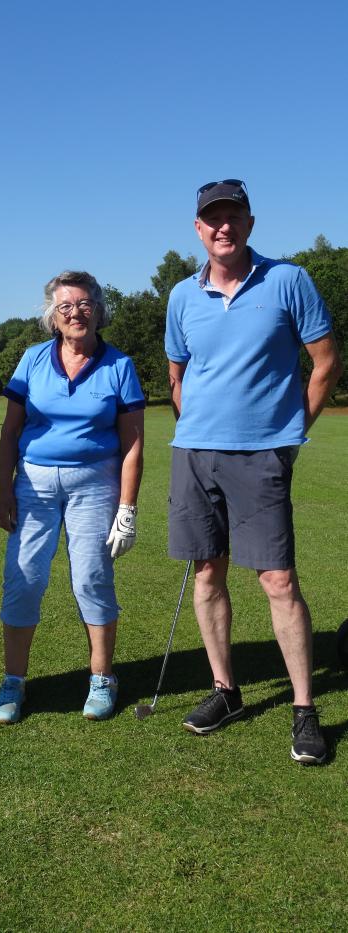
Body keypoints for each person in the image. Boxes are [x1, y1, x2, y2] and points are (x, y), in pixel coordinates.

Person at [165, 179, 343, 764]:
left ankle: (304, 708)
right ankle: (226, 690)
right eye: (212, 218)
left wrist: (291, 434)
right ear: (198, 229)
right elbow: (176, 374)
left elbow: (325, 362)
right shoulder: (181, 295)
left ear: (249, 223)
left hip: (262, 454)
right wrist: (196, 428)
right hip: (195, 454)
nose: (223, 227)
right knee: (207, 574)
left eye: (233, 216)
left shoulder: (288, 280)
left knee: (278, 581)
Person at [0, 271, 145, 724]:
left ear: (98, 311)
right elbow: (9, 432)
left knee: (91, 579)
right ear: (53, 316)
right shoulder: (32, 359)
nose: (75, 313)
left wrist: (128, 508)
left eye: (83, 304)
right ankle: (14, 681)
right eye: (65, 306)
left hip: (95, 484)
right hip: (33, 484)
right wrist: (4, 490)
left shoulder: (119, 366)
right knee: (23, 579)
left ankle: (102, 678)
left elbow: (133, 444)